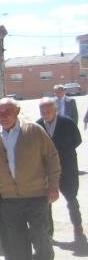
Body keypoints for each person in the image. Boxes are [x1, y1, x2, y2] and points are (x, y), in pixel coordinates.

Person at [0, 98, 61, 260]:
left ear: (17, 111)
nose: (3, 116)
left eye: (7, 112)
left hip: (36, 195)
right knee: (16, 240)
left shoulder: (33, 130)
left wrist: (53, 185)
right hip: (9, 198)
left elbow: (52, 157)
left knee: (39, 235)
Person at [37, 97, 84, 243]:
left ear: (55, 109)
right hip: (47, 170)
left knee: (71, 198)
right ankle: (48, 231)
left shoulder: (67, 123)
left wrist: (60, 152)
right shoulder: (37, 125)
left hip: (67, 167)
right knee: (46, 201)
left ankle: (77, 225)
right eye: (43, 111)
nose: (46, 113)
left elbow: (77, 140)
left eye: (48, 110)